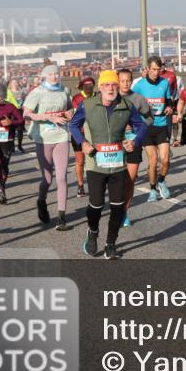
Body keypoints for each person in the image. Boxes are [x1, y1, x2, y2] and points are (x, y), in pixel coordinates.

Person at [69, 70, 149, 259]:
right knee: (96, 204)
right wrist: (83, 142)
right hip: (96, 163)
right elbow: (73, 125)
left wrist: (135, 141)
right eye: (106, 85)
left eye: (114, 84)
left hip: (118, 164)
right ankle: (93, 231)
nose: (111, 88)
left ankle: (111, 243)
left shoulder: (126, 105)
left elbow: (143, 125)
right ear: (100, 87)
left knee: (117, 205)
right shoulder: (87, 105)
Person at [23, 64, 74, 230]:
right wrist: (47, 117)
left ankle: (61, 217)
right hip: (43, 138)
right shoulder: (37, 92)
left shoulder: (64, 91)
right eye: (51, 74)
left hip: (61, 136)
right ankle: (41, 200)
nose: (55, 76)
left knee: (61, 177)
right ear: (44, 76)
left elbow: (70, 109)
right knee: (47, 179)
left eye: (57, 74)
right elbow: (26, 114)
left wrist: (68, 114)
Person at [133, 56, 174, 201]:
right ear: (148, 69)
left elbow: (169, 100)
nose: (156, 72)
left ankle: (161, 181)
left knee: (165, 160)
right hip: (146, 127)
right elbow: (131, 103)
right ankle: (152, 189)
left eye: (159, 69)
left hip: (162, 125)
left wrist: (169, 107)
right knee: (153, 159)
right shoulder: (139, 86)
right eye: (153, 69)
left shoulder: (164, 83)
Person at [117, 68, 153, 227]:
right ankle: (116, 208)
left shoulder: (138, 99)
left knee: (130, 179)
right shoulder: (110, 98)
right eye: (122, 80)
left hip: (133, 143)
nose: (125, 83)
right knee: (117, 180)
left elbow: (149, 119)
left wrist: (137, 128)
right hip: (114, 144)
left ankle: (124, 212)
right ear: (117, 81)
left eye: (128, 80)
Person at [70, 77, 96, 198]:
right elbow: (75, 118)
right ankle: (80, 185)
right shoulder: (76, 98)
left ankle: (95, 183)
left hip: (94, 133)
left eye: (91, 84)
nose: (89, 87)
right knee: (80, 161)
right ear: (82, 86)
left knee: (94, 160)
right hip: (79, 133)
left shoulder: (98, 96)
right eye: (86, 85)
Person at [8, 78, 28, 153]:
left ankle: (20, 146)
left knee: (20, 130)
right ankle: (12, 147)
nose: (15, 84)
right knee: (12, 130)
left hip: (20, 111)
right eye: (13, 83)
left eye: (16, 82)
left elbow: (24, 102)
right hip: (11, 112)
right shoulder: (8, 92)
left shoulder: (21, 92)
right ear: (11, 84)